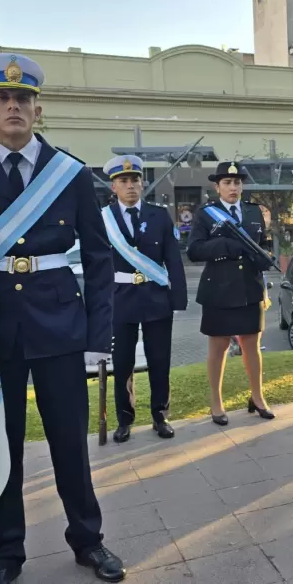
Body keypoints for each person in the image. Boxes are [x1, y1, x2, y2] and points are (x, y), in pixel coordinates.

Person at [0, 53, 125, 583]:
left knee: (69, 443)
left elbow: (100, 258)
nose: (14, 106)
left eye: (24, 100)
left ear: (38, 110)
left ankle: (87, 539)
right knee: (1, 447)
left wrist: (99, 334)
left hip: (60, 324)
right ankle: (6, 552)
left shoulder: (71, 174)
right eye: (3, 98)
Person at [100, 154, 187, 443]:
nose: (130, 186)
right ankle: (125, 419)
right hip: (120, 299)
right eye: (123, 181)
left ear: (142, 183)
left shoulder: (159, 215)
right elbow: (96, 264)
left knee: (159, 360)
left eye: (135, 180)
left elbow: (173, 260)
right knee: (122, 363)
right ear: (114, 187)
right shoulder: (103, 219)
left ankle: (160, 415)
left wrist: (178, 299)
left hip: (155, 298)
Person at [187, 161, 274, 426]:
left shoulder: (254, 212)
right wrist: (227, 245)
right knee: (218, 347)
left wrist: (266, 259)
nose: (233, 187)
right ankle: (216, 403)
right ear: (217, 187)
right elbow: (194, 251)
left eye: (237, 183)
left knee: (251, 346)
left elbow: (264, 246)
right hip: (219, 289)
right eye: (227, 183)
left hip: (250, 286)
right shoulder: (206, 214)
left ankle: (257, 398)